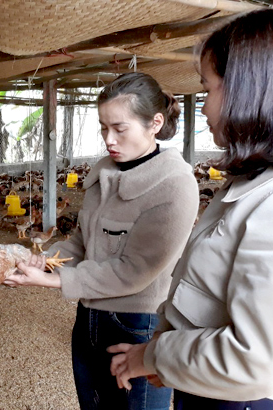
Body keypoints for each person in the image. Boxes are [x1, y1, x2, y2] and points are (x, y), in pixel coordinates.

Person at [4, 72, 199, 409]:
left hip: (137, 323)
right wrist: (46, 260)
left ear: (154, 123)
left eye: (120, 128)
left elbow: (134, 270)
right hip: (89, 315)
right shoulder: (104, 171)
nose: (109, 139)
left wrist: (52, 280)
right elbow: (82, 239)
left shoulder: (174, 186)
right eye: (103, 128)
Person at [108, 10, 273, 410]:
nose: (202, 107)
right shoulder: (248, 184)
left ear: (246, 92)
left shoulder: (266, 203)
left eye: (208, 89)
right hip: (206, 386)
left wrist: (152, 354)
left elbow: (254, 359)